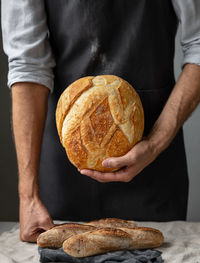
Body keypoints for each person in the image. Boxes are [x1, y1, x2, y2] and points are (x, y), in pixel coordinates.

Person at [1, 0, 200, 242]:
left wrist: (155, 142)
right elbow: (28, 66)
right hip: (62, 176)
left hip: (153, 167)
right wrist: (29, 196)